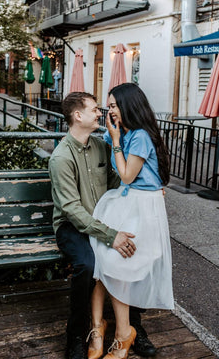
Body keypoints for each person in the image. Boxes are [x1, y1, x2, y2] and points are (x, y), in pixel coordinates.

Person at [49, 92, 156, 359]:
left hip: (103, 219)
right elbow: (72, 210)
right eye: (95, 110)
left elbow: (117, 179)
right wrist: (110, 235)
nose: (101, 114)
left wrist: (151, 190)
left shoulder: (99, 146)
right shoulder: (61, 157)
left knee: (131, 251)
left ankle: (132, 329)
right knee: (87, 264)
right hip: (72, 225)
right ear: (78, 116)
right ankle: (77, 334)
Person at [88, 83, 174, 359]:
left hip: (141, 206)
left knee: (118, 264)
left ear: (127, 105)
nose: (108, 110)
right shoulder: (127, 132)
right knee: (104, 259)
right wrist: (114, 136)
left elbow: (126, 175)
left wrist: (114, 140)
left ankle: (123, 334)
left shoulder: (139, 136)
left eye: (112, 105)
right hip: (129, 201)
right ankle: (105, 328)